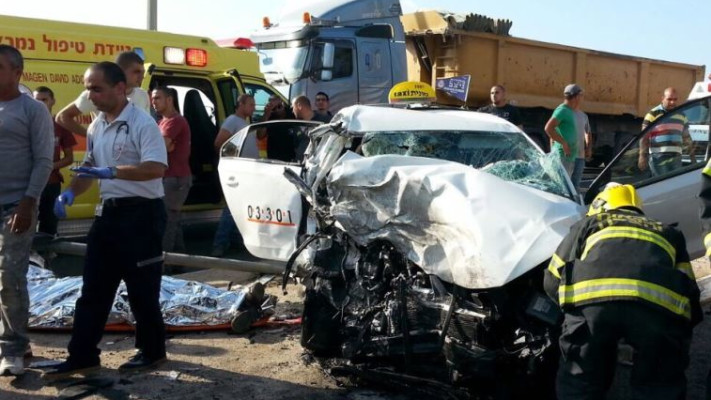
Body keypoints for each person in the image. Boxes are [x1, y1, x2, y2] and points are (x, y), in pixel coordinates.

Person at [47, 61, 168, 379]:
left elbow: (156, 168)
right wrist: (70, 192)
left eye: (96, 89)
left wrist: (113, 172)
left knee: (142, 289)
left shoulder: (142, 124)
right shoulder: (96, 126)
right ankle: (82, 356)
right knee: (93, 289)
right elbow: (89, 169)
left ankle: (153, 352)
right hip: (109, 214)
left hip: (142, 214)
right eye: (88, 89)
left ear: (120, 88)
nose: (90, 96)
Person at [544, 183, 701, 399]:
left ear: (600, 206)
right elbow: (689, 289)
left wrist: (570, 316)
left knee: (580, 381)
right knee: (659, 384)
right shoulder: (668, 232)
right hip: (656, 310)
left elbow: (553, 277)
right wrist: (680, 331)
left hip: (592, 309)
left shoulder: (588, 224)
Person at [0, 45, 54, 376]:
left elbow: (44, 160)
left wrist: (27, 202)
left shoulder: (33, 110)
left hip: (16, 206)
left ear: (17, 72)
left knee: (9, 277)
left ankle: (13, 349)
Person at [55, 51, 150, 136]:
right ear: (120, 70)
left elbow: (146, 125)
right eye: (136, 72)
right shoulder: (96, 94)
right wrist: (91, 136)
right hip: (105, 149)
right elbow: (62, 117)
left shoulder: (143, 95)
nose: (142, 76)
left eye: (143, 72)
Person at [212, 94, 255, 257]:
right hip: (238, 171)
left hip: (247, 170)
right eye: (251, 105)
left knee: (241, 207)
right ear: (241, 104)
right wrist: (234, 162)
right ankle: (220, 243)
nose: (253, 108)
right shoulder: (232, 121)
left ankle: (236, 240)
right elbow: (219, 144)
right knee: (231, 207)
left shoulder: (244, 122)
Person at [151, 86, 192, 253]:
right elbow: (157, 146)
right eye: (152, 99)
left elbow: (159, 147)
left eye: (157, 98)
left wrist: (163, 146)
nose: (153, 102)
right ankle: (179, 259)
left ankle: (164, 261)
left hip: (176, 178)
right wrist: (164, 146)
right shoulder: (161, 122)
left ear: (169, 100)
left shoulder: (176, 121)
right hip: (167, 177)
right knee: (173, 220)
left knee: (167, 221)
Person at [33, 86, 78, 236]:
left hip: (51, 184)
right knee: (24, 228)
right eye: (37, 100)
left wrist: (49, 166)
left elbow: (69, 158)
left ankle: (47, 250)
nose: (40, 104)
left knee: (48, 230)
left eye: (44, 100)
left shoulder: (60, 126)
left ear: (53, 101)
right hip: (29, 184)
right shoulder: (25, 124)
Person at [638, 87, 695, 175]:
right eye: (669, 99)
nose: (672, 102)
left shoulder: (682, 115)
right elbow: (644, 137)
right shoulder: (653, 114)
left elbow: (686, 137)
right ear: (662, 99)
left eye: (675, 99)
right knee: (661, 182)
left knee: (675, 182)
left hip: (676, 158)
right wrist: (642, 156)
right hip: (658, 158)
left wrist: (692, 157)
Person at [544, 84, 582, 177]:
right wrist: (563, 143)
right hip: (562, 158)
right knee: (562, 183)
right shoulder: (562, 110)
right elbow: (548, 128)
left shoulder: (570, 110)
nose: (582, 98)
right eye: (581, 95)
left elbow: (554, 131)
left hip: (568, 157)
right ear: (576, 97)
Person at [571, 90, 591, 191]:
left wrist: (588, 148)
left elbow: (587, 133)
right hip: (567, 156)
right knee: (565, 185)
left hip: (580, 156)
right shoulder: (564, 114)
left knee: (575, 185)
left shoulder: (583, 116)